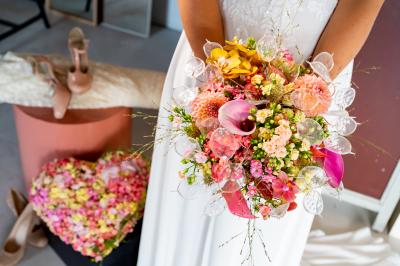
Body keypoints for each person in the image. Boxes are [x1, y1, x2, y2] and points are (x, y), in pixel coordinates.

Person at [137, 1, 384, 265]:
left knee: (270, 201)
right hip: (213, 48)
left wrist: (304, 93)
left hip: (317, 67)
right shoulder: (213, 66)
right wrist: (220, 82)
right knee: (191, 198)